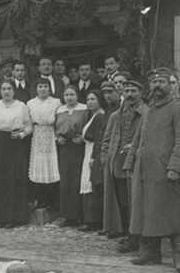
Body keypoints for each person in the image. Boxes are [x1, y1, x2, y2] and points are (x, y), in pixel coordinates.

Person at [125, 68, 180, 273]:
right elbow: (138, 139)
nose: (157, 86)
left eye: (162, 82)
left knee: (173, 212)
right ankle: (150, 252)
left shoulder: (179, 110)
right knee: (146, 211)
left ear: (171, 85)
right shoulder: (148, 110)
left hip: (167, 171)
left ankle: (178, 254)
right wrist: (130, 162)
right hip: (145, 171)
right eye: (154, 82)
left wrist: (175, 167)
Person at [100, 78, 147, 251]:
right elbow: (106, 140)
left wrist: (135, 147)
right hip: (117, 166)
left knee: (137, 202)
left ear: (141, 94)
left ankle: (140, 237)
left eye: (133, 91)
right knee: (123, 203)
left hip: (138, 166)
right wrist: (106, 158)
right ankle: (129, 235)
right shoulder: (115, 116)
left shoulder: (147, 114)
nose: (130, 95)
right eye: (126, 91)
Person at [0, 80, 32, 227]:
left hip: (15, 143)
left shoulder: (21, 106)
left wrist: (22, 135)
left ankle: (14, 218)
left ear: (14, 90)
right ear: (0, 91)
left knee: (14, 179)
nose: (6, 92)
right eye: (3, 89)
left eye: (9, 89)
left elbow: (29, 126)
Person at [54, 85, 88, 225]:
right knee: (65, 181)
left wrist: (82, 138)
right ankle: (66, 215)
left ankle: (78, 215)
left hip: (78, 147)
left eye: (72, 94)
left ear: (77, 96)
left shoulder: (84, 109)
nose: (69, 97)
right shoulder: (59, 109)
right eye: (67, 95)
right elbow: (54, 128)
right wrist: (57, 138)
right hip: (64, 148)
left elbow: (89, 127)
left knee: (77, 180)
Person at [28, 78, 62, 209]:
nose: (43, 89)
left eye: (45, 86)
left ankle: (52, 201)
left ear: (50, 88)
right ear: (36, 89)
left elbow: (59, 120)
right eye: (40, 86)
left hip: (51, 134)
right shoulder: (30, 103)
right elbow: (28, 122)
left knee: (51, 165)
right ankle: (40, 199)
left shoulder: (56, 102)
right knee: (38, 165)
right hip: (36, 135)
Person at [80, 89, 107, 231]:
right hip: (88, 150)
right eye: (88, 99)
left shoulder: (100, 116)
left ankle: (94, 220)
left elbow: (99, 139)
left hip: (93, 152)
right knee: (88, 184)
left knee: (92, 185)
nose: (90, 102)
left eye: (93, 99)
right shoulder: (93, 115)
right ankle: (90, 219)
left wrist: (94, 157)